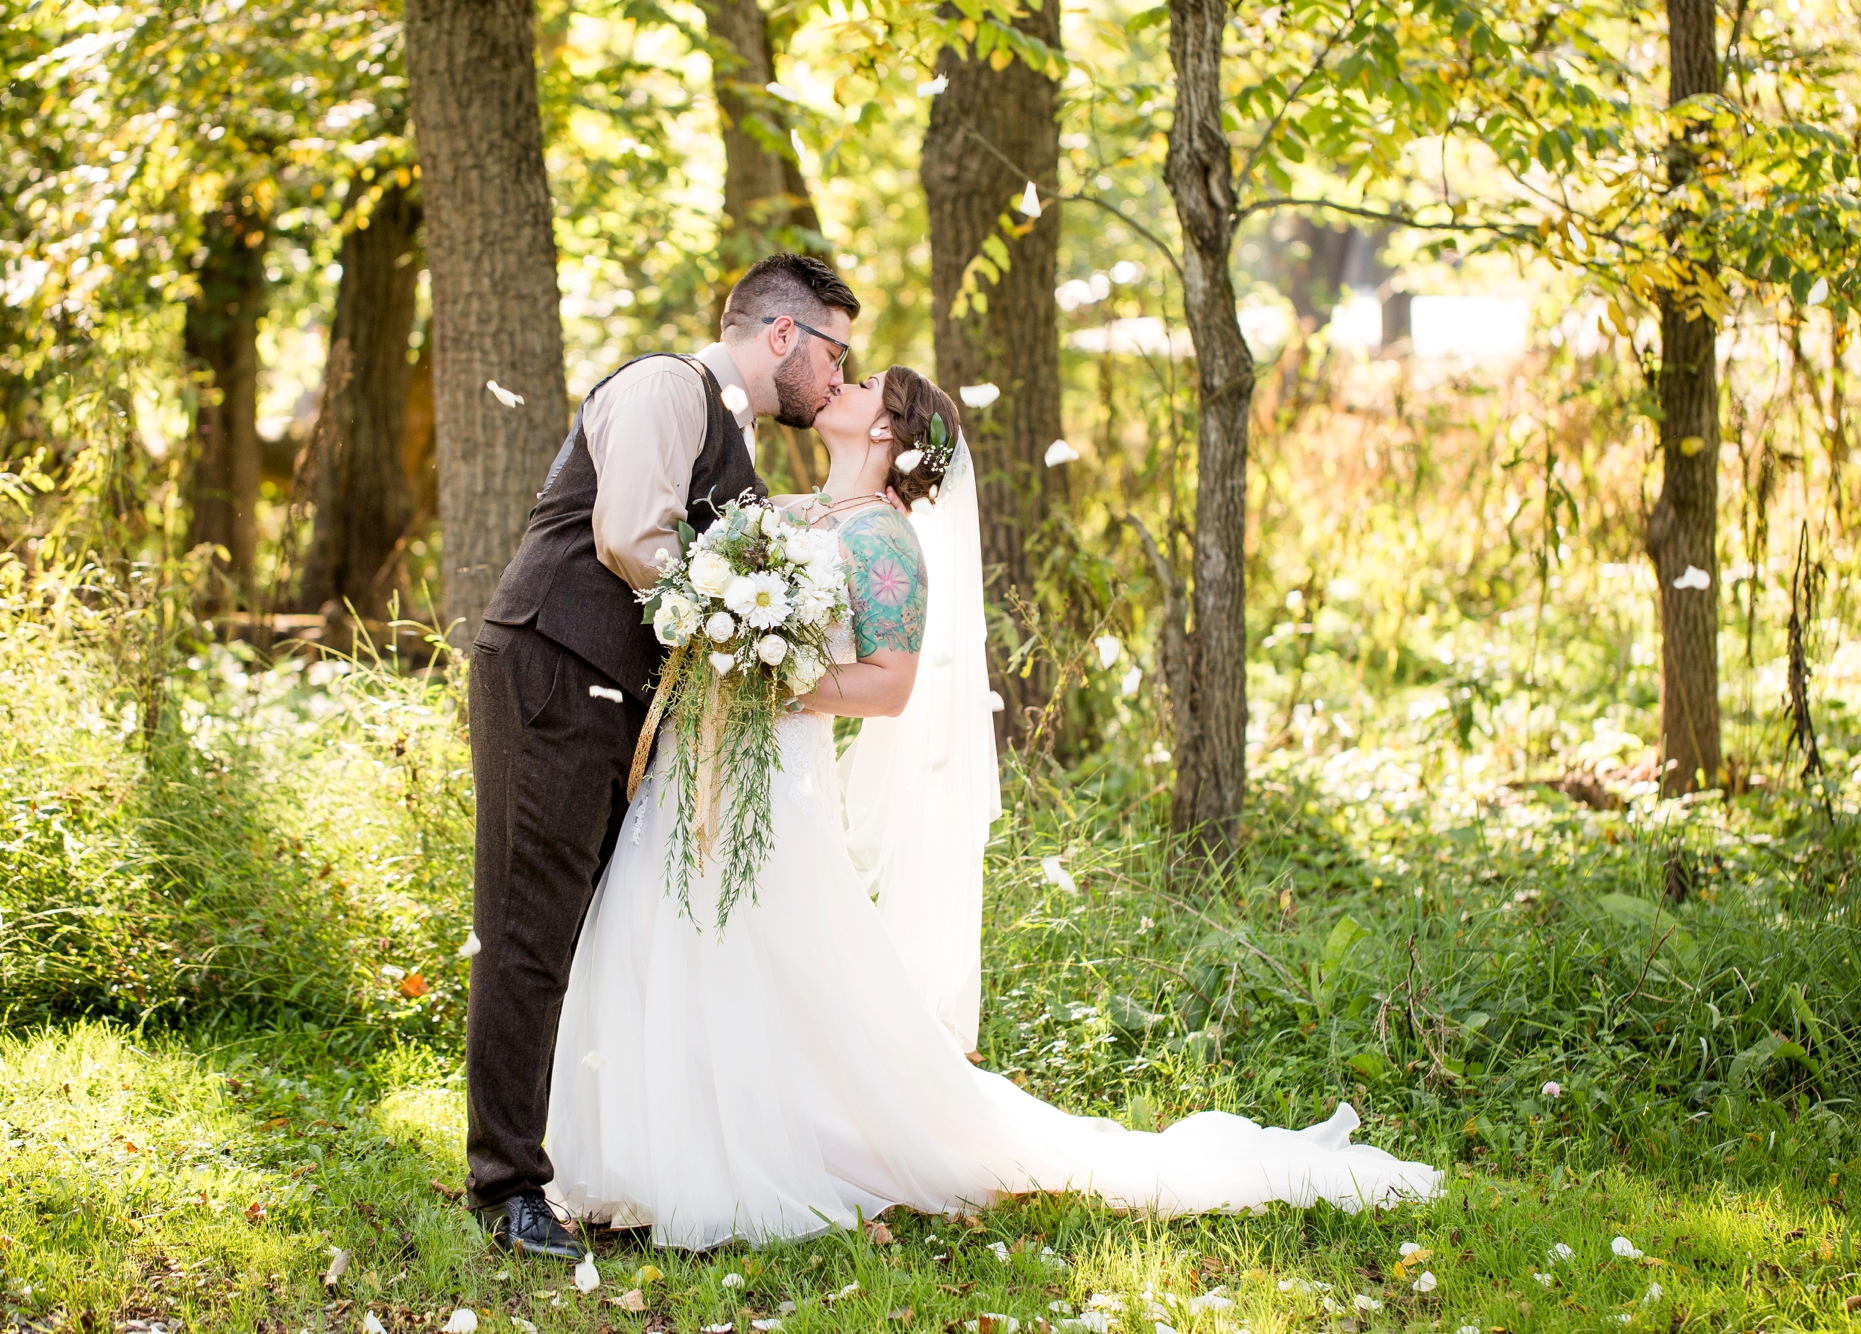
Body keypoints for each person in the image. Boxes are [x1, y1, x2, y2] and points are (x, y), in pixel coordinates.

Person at [544, 366, 1442, 1250]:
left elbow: (887, 688)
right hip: (699, 764)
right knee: (666, 933)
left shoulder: (885, 542)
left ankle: (742, 1160)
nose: (838, 386)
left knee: (753, 948)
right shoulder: (785, 512)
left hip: (776, 775)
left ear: (887, 432)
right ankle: (651, 1157)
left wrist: (773, 670)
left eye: (861, 388)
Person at [462, 254, 861, 1259]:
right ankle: (505, 1188)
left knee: (574, 929)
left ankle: (558, 1164)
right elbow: (631, 537)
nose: (835, 378)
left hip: (605, 692)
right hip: (553, 666)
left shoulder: (729, 439)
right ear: (782, 335)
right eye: (834, 353)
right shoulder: (662, 388)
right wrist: (741, 619)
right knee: (527, 926)